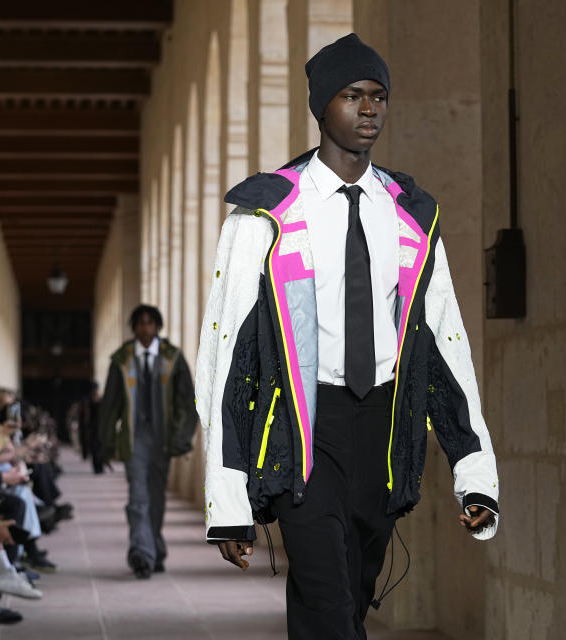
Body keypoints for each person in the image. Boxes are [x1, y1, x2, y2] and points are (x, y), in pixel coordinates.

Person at [196, 33, 500, 639]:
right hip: (306, 429)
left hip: (385, 434)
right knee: (328, 601)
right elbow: (226, 354)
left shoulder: (411, 212)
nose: (368, 110)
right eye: (352, 95)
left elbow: (444, 345)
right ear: (320, 106)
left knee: (347, 601)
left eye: (378, 96)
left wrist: (474, 472)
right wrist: (227, 501)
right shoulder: (269, 213)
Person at [98, 304, 197, 578]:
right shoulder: (122, 359)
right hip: (133, 439)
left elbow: (187, 400)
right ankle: (141, 553)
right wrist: (105, 444)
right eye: (140, 323)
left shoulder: (172, 358)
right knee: (138, 496)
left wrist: (182, 436)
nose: (145, 328)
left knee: (156, 497)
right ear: (133, 328)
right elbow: (110, 404)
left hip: (162, 439)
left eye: (150, 323)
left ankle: (154, 547)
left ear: (157, 327)